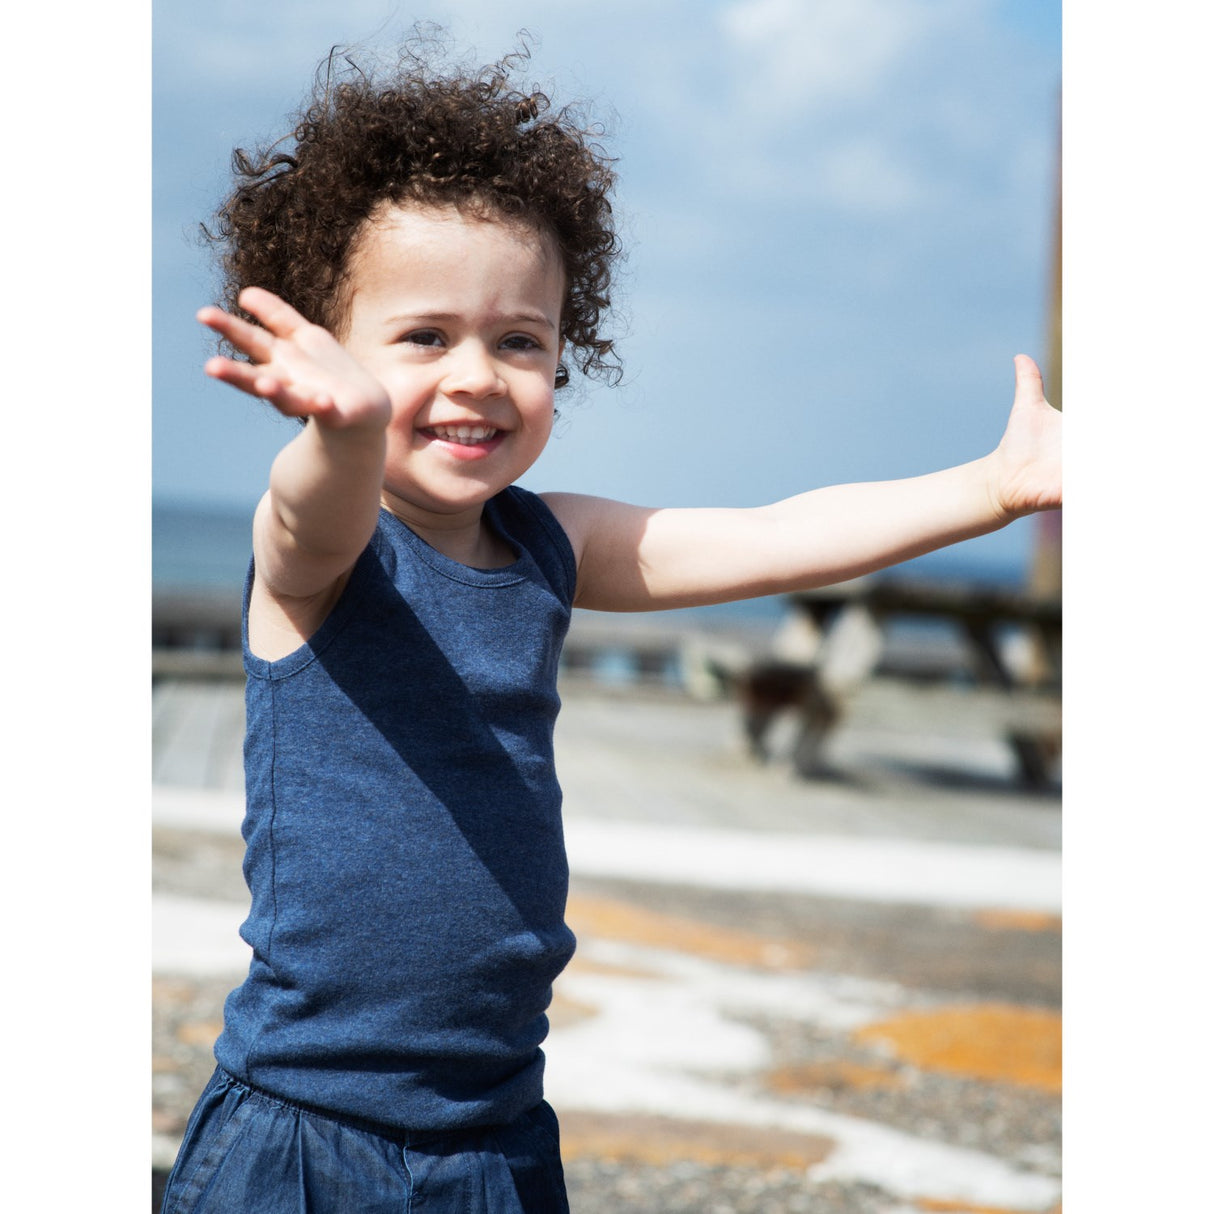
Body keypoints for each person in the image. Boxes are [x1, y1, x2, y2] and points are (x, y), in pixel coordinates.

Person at [159, 43, 1061, 1214]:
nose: (478, 373)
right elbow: (305, 509)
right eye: (423, 336)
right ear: (330, 352)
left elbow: (770, 534)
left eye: (520, 339)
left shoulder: (548, 545)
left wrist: (992, 486)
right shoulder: (325, 561)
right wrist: (341, 429)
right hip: (309, 1138)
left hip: (493, 1133)